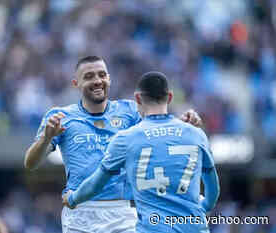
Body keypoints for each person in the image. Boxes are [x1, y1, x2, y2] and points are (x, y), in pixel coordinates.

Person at [24, 56, 202, 233]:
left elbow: (159, 131)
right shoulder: (61, 117)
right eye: (89, 76)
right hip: (79, 212)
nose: (97, 81)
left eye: (102, 75)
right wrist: (46, 138)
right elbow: (30, 163)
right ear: (75, 83)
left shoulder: (130, 111)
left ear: (109, 78)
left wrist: (183, 125)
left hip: (123, 212)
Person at [63, 71, 220, 233]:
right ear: (170, 97)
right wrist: (203, 207)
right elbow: (213, 191)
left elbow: (96, 184)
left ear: (137, 98)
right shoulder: (196, 134)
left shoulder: (126, 139)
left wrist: (73, 198)